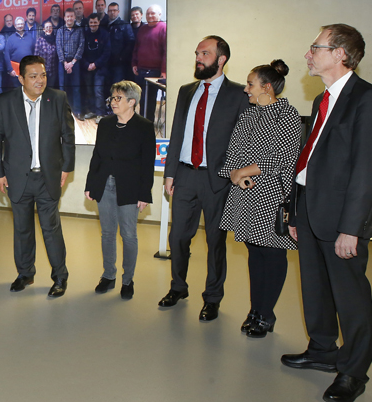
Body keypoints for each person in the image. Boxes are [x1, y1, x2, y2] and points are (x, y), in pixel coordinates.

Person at [281, 24, 372, 402]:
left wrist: (351, 229)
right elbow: (310, 159)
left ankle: (354, 371)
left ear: (340, 54)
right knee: (315, 286)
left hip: (342, 217)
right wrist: (296, 211)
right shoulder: (321, 100)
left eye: (316, 47)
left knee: (350, 296)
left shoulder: (368, 99)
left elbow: (366, 170)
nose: (307, 54)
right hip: (311, 208)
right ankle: (323, 350)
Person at [159, 36, 248, 320]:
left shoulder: (238, 94)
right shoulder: (186, 91)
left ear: (221, 59)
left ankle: (212, 297)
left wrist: (234, 175)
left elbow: (243, 140)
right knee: (177, 236)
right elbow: (177, 133)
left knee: (215, 242)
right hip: (185, 175)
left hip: (218, 180)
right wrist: (170, 173)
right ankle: (178, 287)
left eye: (205, 53)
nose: (198, 58)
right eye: (197, 53)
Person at [217, 60, 301, 337]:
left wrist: (244, 171)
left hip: (273, 195)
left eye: (250, 84)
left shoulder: (287, 115)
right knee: (254, 252)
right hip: (245, 193)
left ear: (266, 87)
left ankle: (267, 313)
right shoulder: (248, 115)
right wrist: (234, 174)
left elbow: (282, 158)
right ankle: (255, 310)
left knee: (272, 254)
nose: (246, 89)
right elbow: (233, 151)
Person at [0, 55, 76, 297]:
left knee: (51, 229)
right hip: (17, 177)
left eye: (43, 75)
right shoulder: (5, 102)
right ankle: (25, 273)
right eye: (34, 76)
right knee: (22, 229)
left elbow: (68, 136)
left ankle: (60, 277)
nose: (40, 80)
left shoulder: (57, 98)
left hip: (48, 177)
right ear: (21, 79)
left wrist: (66, 167)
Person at [85, 81, 155, 300]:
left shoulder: (144, 126)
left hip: (130, 187)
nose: (113, 102)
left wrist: (144, 194)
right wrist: (90, 184)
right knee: (107, 233)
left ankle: (127, 280)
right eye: (112, 98)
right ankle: (108, 275)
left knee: (128, 235)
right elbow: (97, 155)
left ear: (131, 102)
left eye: (118, 98)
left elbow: (147, 163)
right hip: (104, 184)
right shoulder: (105, 123)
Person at [81, 13, 111, 119]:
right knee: (89, 90)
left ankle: (100, 113)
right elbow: (80, 51)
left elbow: (107, 53)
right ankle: (92, 111)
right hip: (87, 68)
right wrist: (87, 65)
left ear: (99, 22)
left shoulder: (105, 34)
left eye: (95, 22)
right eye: (91, 22)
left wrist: (95, 64)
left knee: (98, 90)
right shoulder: (85, 34)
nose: (93, 24)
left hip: (100, 68)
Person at [56, 8, 84, 117]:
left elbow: (81, 46)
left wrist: (72, 63)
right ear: (64, 18)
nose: (69, 18)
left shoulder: (79, 30)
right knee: (62, 87)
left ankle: (77, 111)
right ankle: (63, 111)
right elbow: (59, 48)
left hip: (75, 62)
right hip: (62, 62)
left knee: (76, 88)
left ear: (74, 17)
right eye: (67, 16)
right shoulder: (60, 31)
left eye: (71, 16)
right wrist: (65, 63)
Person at [105, 2, 134, 87]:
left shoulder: (125, 25)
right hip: (106, 62)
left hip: (119, 64)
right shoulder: (105, 25)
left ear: (118, 11)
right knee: (107, 86)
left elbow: (130, 43)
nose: (112, 12)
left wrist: (121, 58)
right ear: (107, 12)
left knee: (117, 86)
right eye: (110, 11)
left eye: (114, 10)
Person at [4, 16, 36, 89]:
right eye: (18, 24)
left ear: (24, 25)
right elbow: (6, 55)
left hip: (28, 69)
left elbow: (34, 52)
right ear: (15, 26)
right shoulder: (10, 39)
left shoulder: (30, 37)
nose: (20, 26)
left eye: (21, 24)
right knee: (17, 91)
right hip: (15, 71)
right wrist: (10, 69)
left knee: (28, 89)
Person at [34, 20, 58, 89]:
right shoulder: (39, 40)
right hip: (42, 72)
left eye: (50, 27)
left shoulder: (55, 40)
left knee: (51, 89)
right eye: (47, 27)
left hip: (53, 71)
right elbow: (36, 57)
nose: (48, 29)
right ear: (43, 29)